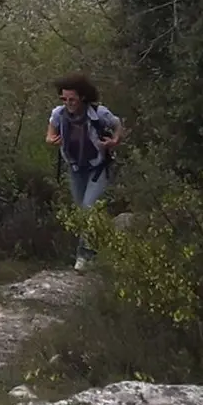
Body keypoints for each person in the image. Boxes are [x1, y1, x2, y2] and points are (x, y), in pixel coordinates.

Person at [46, 73, 124, 271]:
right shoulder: (59, 114)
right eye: (64, 99)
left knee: (90, 209)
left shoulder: (98, 113)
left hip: (98, 168)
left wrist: (114, 141)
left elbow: (117, 125)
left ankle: (84, 257)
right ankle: (98, 248)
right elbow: (50, 133)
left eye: (72, 99)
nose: (68, 103)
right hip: (76, 169)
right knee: (83, 212)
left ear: (82, 97)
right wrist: (51, 139)